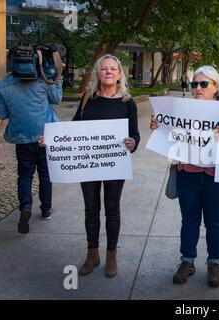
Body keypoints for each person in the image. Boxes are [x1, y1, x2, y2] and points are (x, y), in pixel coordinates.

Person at [150, 66, 219, 287]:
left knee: (215, 221)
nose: (198, 88)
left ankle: (214, 262)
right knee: (190, 220)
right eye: (194, 84)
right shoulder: (180, 110)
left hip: (217, 176)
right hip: (188, 174)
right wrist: (158, 126)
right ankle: (187, 261)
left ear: (216, 87)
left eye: (204, 84)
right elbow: (167, 133)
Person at [72, 54, 140, 278]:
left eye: (113, 68)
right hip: (88, 164)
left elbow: (135, 135)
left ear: (119, 74)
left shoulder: (127, 102)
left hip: (114, 164)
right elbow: (72, 131)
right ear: (98, 74)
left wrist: (133, 143)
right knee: (91, 209)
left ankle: (111, 253)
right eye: (104, 69)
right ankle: (92, 253)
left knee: (112, 208)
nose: (108, 72)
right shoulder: (87, 99)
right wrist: (50, 142)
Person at [0, 49, 63, 234]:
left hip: (22, 138)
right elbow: (57, 99)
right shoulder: (43, 79)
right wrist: (56, 76)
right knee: (45, 174)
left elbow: (2, 114)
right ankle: (46, 209)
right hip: (45, 137)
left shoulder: (2, 85)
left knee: (25, 175)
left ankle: (25, 207)